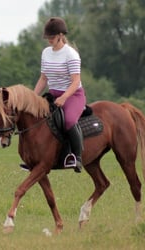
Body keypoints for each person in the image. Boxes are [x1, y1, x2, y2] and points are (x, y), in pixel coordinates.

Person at [33, 17, 86, 173]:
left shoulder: (71, 54)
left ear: (61, 35)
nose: (49, 40)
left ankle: (77, 157)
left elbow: (76, 81)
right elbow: (43, 78)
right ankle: (34, 158)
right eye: (48, 37)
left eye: (52, 37)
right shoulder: (46, 53)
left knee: (68, 120)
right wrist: (32, 97)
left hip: (73, 95)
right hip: (53, 94)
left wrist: (64, 98)